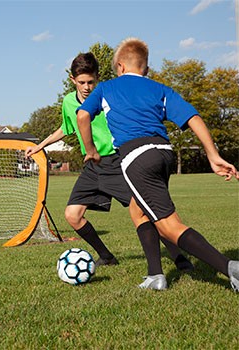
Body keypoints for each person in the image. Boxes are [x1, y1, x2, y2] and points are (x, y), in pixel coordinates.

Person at [77, 37, 239, 291]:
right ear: (146, 69)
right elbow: (193, 116)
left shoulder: (106, 88)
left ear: (119, 66)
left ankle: (230, 268)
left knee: (168, 224)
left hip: (136, 157)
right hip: (164, 153)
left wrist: (91, 150)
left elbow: (83, 115)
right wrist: (212, 155)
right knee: (137, 209)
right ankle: (156, 275)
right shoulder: (159, 88)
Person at [26, 52, 193, 274]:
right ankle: (106, 256)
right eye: (82, 82)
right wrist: (40, 146)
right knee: (72, 215)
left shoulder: (109, 95)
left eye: (91, 82)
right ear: (73, 80)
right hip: (93, 166)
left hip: (118, 163)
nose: (86, 87)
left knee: (148, 211)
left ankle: (179, 257)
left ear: (97, 78)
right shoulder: (68, 102)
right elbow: (65, 129)